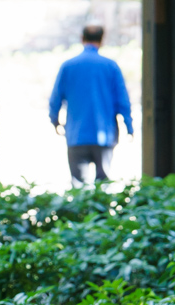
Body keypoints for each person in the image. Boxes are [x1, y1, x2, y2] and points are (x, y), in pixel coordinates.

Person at [48, 25, 133, 186]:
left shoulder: (68, 66)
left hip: (76, 135)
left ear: (82, 38)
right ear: (102, 40)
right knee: (103, 185)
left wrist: (55, 122)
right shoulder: (110, 66)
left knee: (79, 186)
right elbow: (123, 101)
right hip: (105, 135)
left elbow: (55, 100)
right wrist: (129, 127)